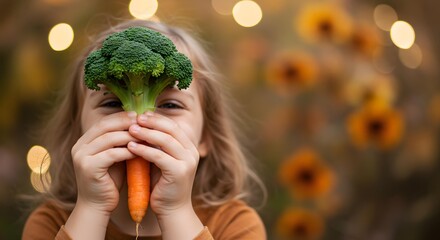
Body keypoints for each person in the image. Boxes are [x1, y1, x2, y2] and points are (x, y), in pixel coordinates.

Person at [22, 19, 267, 240]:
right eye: (112, 103)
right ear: (78, 132)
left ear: (207, 137)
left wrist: (176, 210)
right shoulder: (51, 223)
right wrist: (92, 207)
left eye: (171, 105)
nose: (140, 122)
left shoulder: (235, 223)